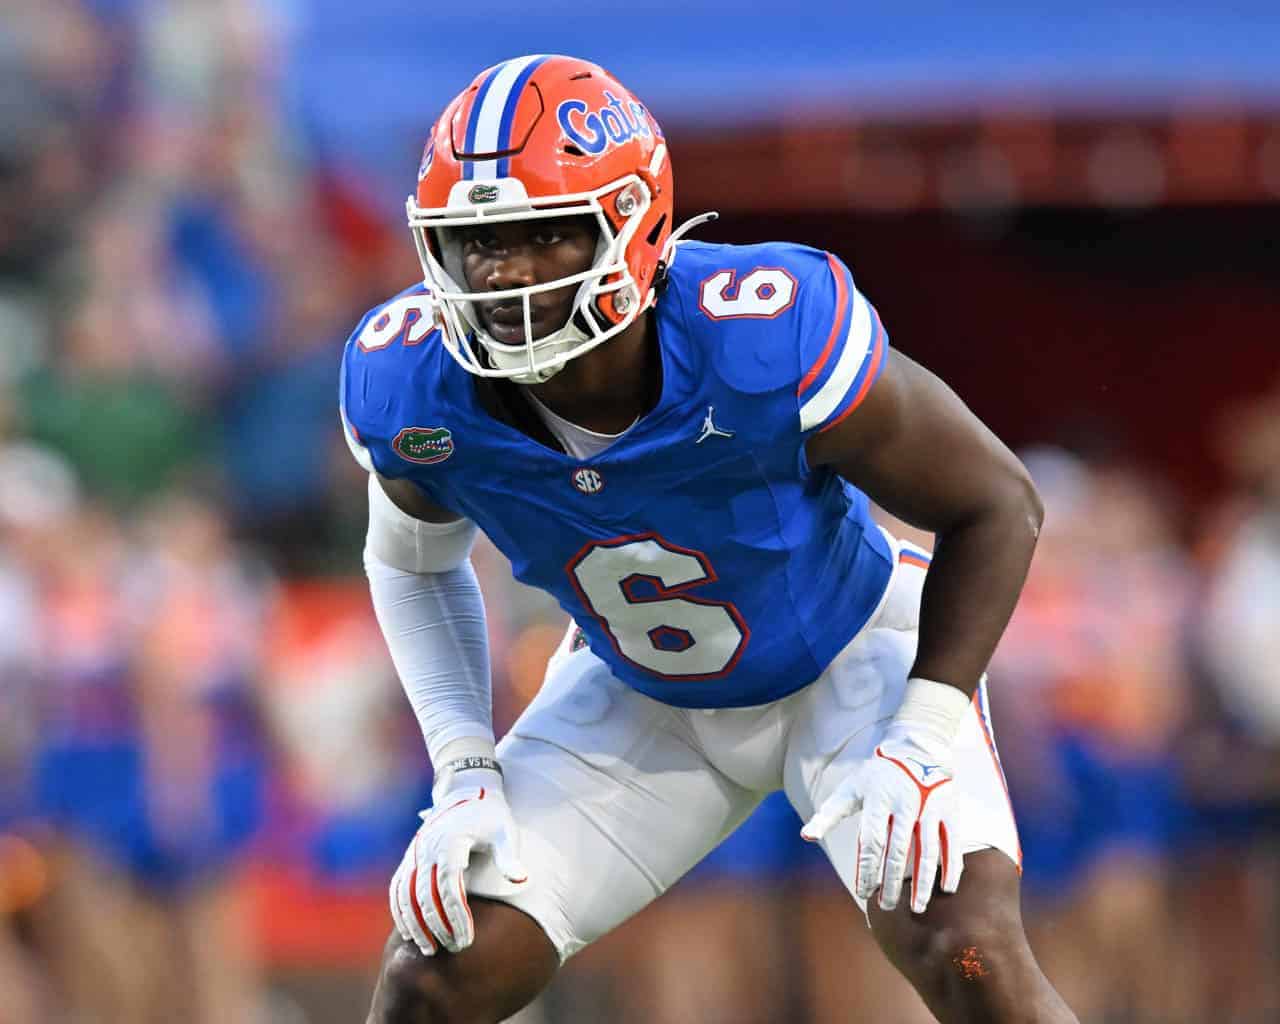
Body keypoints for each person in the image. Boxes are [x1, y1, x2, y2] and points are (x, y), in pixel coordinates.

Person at [340, 54, 1076, 1024]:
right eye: (477, 242)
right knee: (433, 976)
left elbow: (996, 503)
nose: (503, 272)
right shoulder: (413, 384)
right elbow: (410, 563)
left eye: (544, 234)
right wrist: (463, 768)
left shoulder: (761, 333)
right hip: (640, 691)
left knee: (965, 948)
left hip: (849, 661)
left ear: (633, 223)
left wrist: (923, 731)